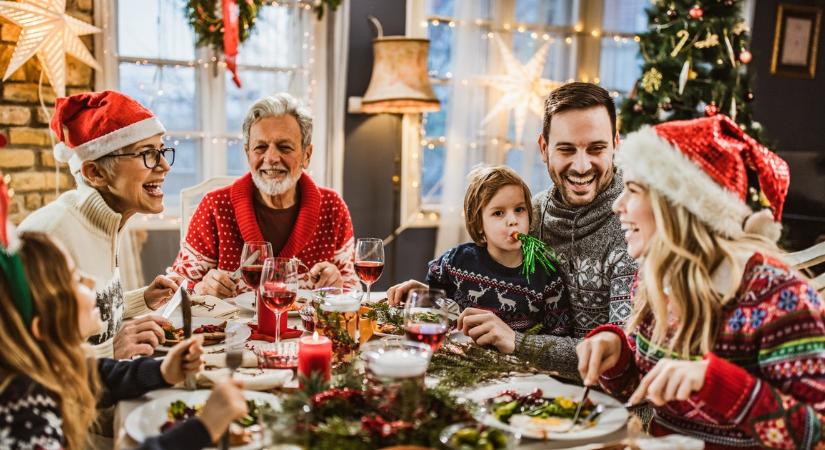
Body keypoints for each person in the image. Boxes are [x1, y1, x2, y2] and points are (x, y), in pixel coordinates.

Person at [576, 115, 825, 449]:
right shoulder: (656, 276)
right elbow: (643, 386)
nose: (617, 206)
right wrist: (617, 351)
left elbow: (816, 435)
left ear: (681, 208)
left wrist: (717, 382)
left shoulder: (779, 299)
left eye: (633, 191)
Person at [395, 83, 637, 379]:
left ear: (615, 144)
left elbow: (626, 358)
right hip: (524, 386)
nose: (582, 165)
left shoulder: (636, 227)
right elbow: (494, 294)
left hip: (608, 407)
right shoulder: (529, 217)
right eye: (566, 149)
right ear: (544, 148)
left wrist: (517, 342)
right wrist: (436, 301)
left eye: (596, 148)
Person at [0, 231, 250, 450]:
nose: (90, 281)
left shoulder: (45, 369)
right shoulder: (27, 423)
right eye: (76, 279)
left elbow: (97, 375)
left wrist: (162, 370)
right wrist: (203, 428)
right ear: (43, 327)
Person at [18, 90, 181, 359]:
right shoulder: (49, 236)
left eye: (162, 151)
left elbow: (87, 318)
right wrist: (111, 350)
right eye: (147, 153)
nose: (164, 165)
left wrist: (143, 299)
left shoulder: (106, 221)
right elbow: (24, 358)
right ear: (95, 173)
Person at [171, 93, 357, 296]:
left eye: (284, 147)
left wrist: (338, 284)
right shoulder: (216, 206)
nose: (271, 158)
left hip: (307, 328)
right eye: (260, 147)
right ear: (247, 153)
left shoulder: (332, 206)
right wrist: (199, 288)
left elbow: (353, 287)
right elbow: (175, 288)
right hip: (230, 327)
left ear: (307, 155)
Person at [389, 165, 568, 337]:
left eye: (519, 209)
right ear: (479, 224)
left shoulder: (547, 278)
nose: (513, 220)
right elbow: (443, 307)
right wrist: (423, 294)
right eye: (498, 213)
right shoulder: (456, 261)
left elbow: (557, 336)